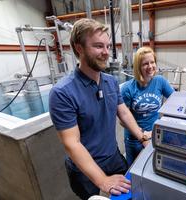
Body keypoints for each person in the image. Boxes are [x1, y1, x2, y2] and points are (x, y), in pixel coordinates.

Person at [49, 18, 150, 200]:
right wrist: (102, 180)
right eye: (98, 46)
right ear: (79, 48)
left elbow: (124, 112)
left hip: (113, 157)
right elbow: (72, 143)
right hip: (85, 168)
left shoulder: (110, 82)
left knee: (131, 194)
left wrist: (142, 137)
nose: (106, 53)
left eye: (107, 46)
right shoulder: (63, 92)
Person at [121, 46, 174, 166]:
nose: (150, 67)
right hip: (134, 139)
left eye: (152, 62)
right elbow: (122, 120)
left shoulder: (160, 81)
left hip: (155, 135)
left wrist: (161, 124)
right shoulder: (128, 89)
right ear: (138, 66)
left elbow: (174, 102)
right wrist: (143, 135)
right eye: (145, 63)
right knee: (134, 171)